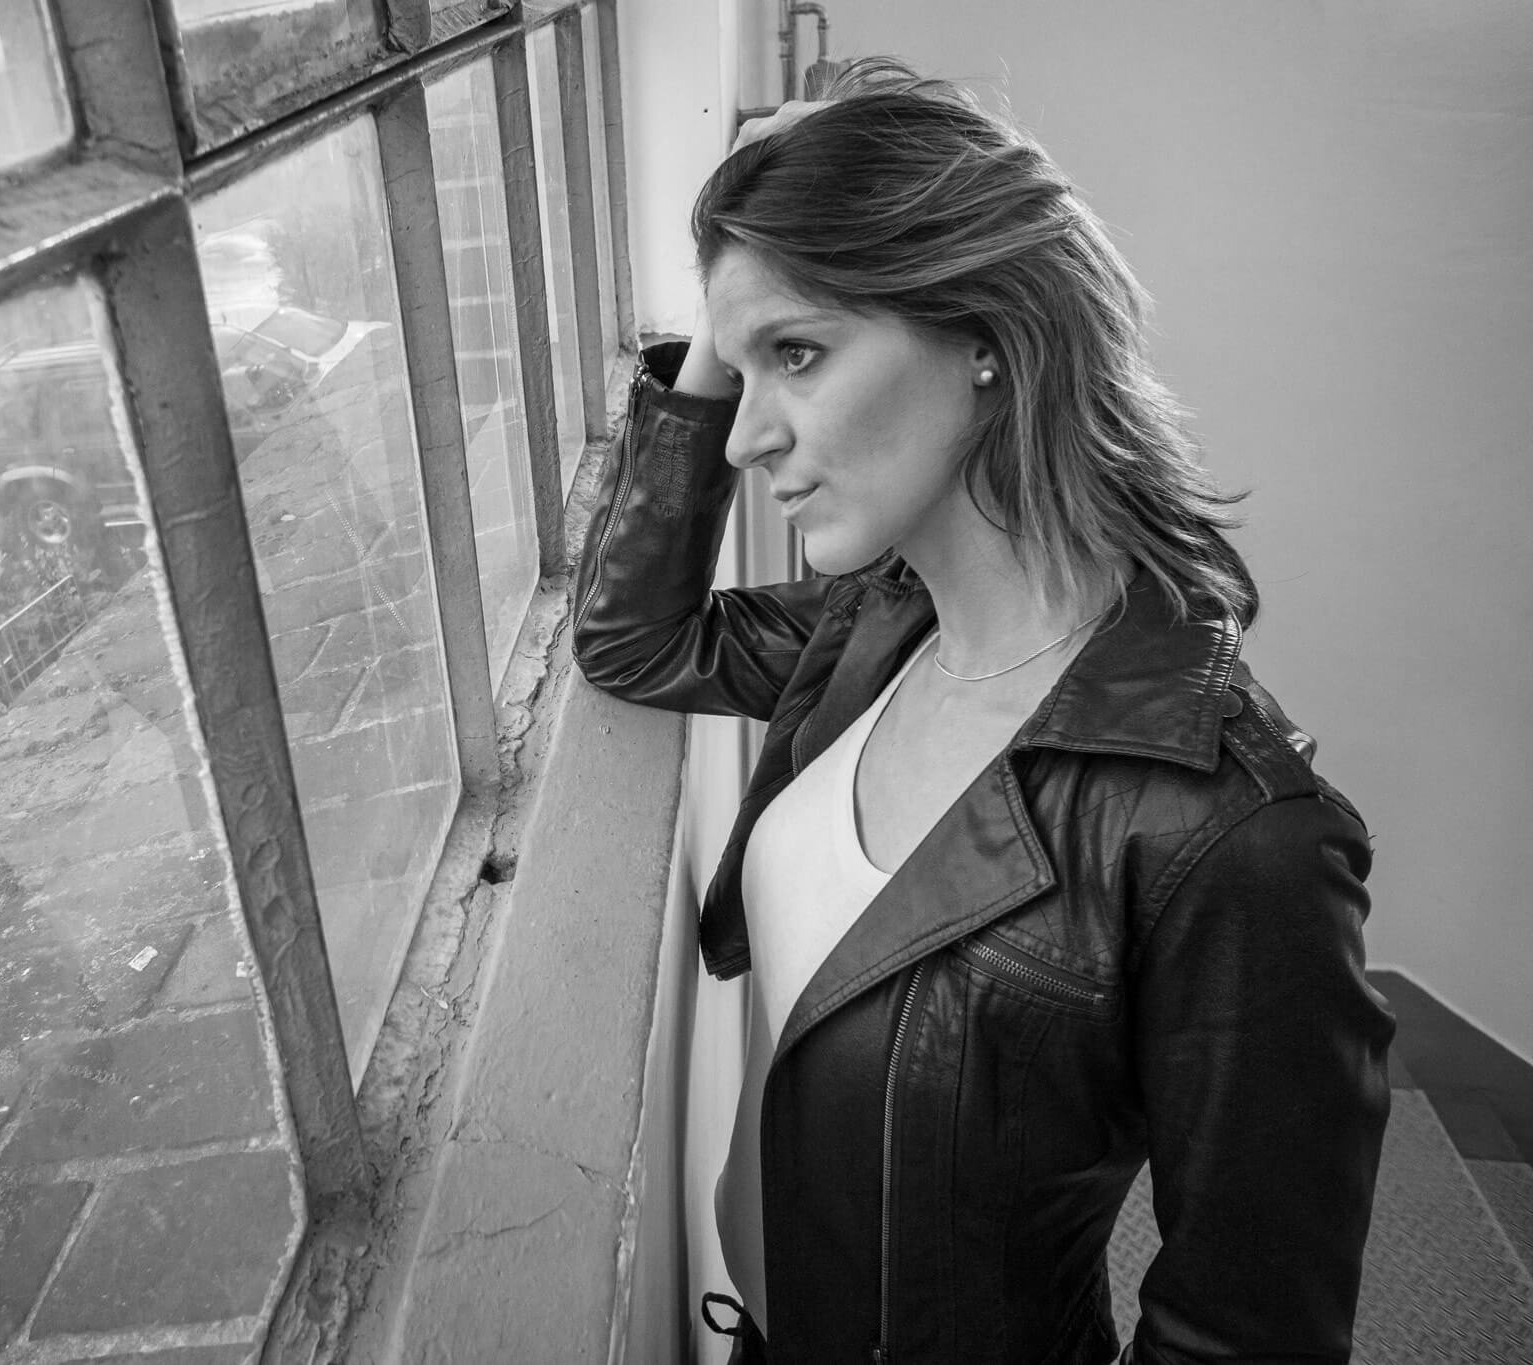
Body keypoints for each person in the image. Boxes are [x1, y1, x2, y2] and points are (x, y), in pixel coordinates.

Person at [572, 58, 1393, 1365]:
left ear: (988, 339)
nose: (742, 437)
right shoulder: (874, 626)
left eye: (799, 355)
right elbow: (634, 641)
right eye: (744, 368)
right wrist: (732, 288)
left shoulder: (1230, 835)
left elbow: (1249, 1339)